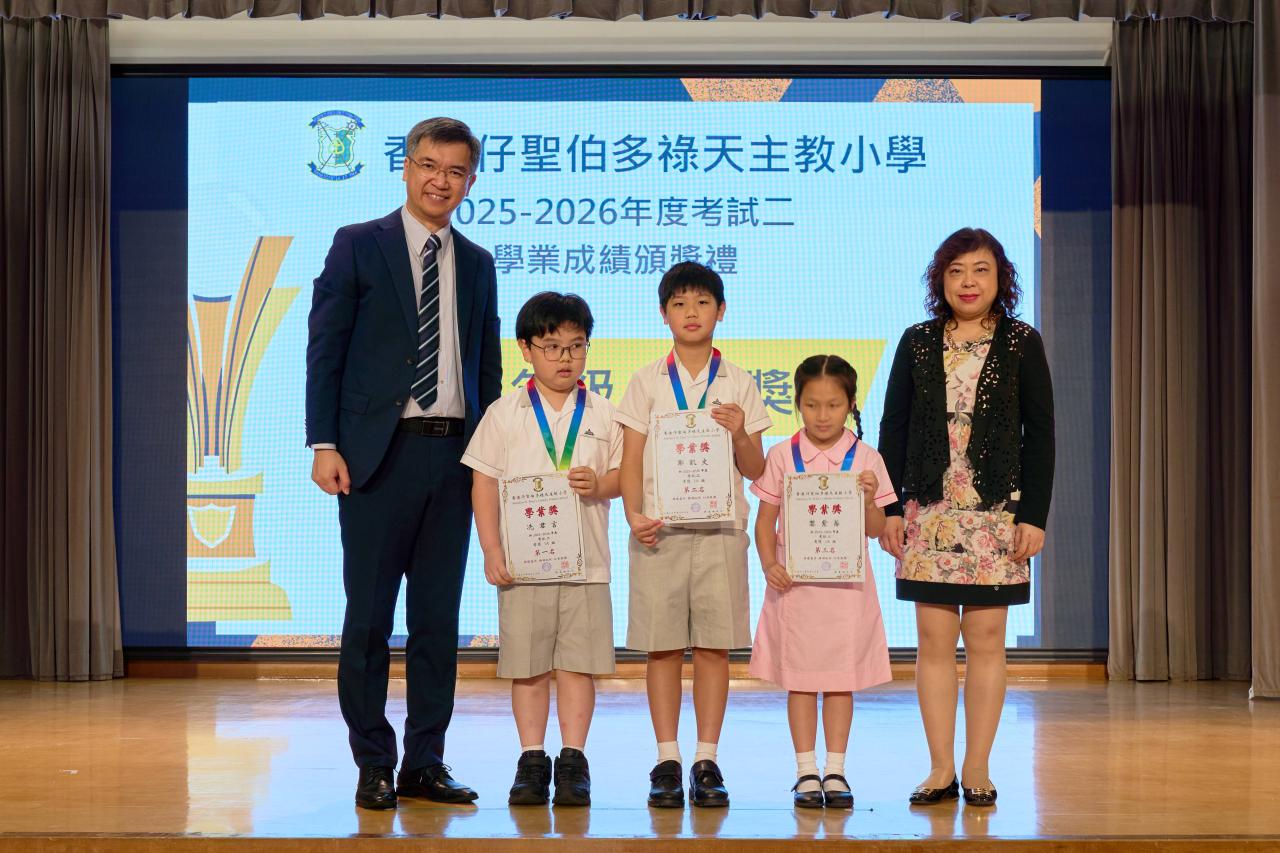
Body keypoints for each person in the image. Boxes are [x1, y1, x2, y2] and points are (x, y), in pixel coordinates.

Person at [305, 117, 501, 810]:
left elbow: (486, 367)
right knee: (368, 619)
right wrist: (323, 443)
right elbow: (325, 348)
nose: (440, 181)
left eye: (455, 171)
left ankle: (425, 760)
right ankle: (373, 761)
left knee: (437, 622)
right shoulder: (358, 244)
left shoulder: (477, 262)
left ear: (470, 181)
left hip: (454, 455)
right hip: (374, 458)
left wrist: (490, 459)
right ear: (407, 167)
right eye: (428, 165)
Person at [878, 227, 1054, 807]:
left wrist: (1033, 515)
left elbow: (1041, 435)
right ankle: (939, 769)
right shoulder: (917, 341)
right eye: (956, 271)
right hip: (927, 513)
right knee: (933, 640)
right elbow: (893, 428)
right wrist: (888, 508)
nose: (968, 282)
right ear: (941, 280)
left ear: (1001, 278)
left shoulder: (1022, 341)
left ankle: (978, 767)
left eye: (980, 270)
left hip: (996, 517)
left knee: (986, 638)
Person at [615, 261, 772, 809]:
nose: (691, 313)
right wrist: (632, 514)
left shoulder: (739, 381)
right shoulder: (645, 381)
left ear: (721, 311)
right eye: (679, 303)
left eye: (702, 302)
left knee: (712, 648)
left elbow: (756, 468)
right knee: (661, 649)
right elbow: (631, 458)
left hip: (721, 533)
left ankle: (706, 759)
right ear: (663, 314)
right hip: (658, 531)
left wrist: (739, 432)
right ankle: (667, 759)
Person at [463, 292, 622, 808]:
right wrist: (491, 549)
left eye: (577, 346)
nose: (565, 358)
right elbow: (484, 483)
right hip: (523, 567)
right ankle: (532, 759)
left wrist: (601, 484)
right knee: (528, 666)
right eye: (552, 346)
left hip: (586, 567)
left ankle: (573, 760)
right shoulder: (504, 413)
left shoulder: (605, 413)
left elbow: (626, 477)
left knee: (578, 666)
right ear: (526, 349)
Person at [748, 355, 896, 809]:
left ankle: (835, 770)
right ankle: (805, 771)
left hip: (847, 594)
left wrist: (869, 501)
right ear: (797, 403)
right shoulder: (781, 455)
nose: (822, 415)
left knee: (839, 681)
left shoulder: (867, 458)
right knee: (800, 681)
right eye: (812, 405)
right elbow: (764, 521)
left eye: (833, 405)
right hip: (796, 589)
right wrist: (768, 563)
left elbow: (877, 529)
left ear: (851, 404)